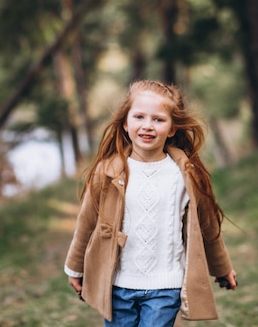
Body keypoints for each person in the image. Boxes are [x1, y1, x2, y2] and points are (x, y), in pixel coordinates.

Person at [64, 80, 237, 326]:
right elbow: (86, 224)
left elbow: (208, 227)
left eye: (158, 119)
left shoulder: (185, 174)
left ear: (172, 128)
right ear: (125, 123)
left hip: (165, 286)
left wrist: (222, 268)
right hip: (117, 286)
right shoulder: (109, 172)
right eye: (139, 117)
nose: (148, 126)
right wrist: (75, 267)